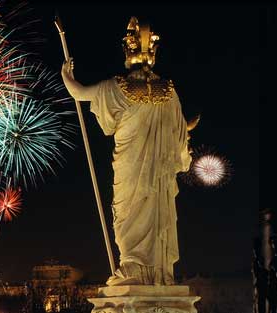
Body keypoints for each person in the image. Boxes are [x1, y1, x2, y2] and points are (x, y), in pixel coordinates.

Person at [60, 17, 195, 286]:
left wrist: (66, 75)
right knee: (151, 213)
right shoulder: (168, 93)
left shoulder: (117, 88)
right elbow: (181, 138)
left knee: (127, 217)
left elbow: (80, 93)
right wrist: (181, 156)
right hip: (155, 173)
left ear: (128, 54)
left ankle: (135, 267)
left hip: (130, 168)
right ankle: (157, 271)